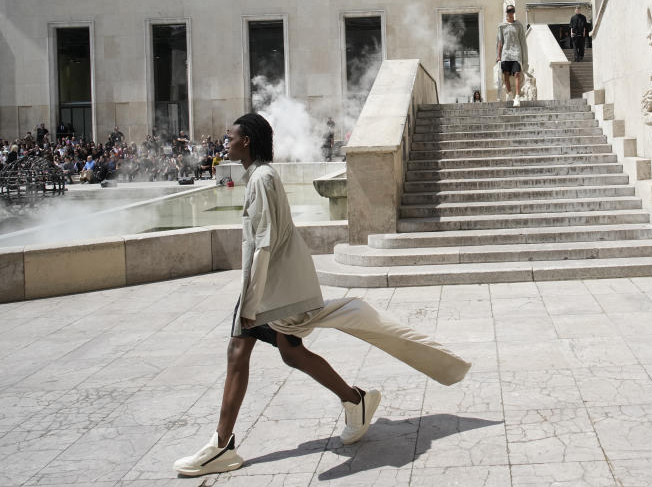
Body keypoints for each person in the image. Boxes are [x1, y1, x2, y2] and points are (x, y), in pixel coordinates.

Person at [174, 113, 470, 477]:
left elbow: (264, 244)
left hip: (267, 292)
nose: (225, 142)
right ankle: (355, 401)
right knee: (290, 352)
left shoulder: (262, 179)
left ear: (246, 140)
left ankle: (221, 445)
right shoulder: (259, 178)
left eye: (230, 136)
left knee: (242, 352)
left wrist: (250, 303)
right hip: (270, 289)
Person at [496, 4, 528, 107]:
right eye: (509, 10)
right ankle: (509, 93)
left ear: (514, 12)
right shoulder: (501, 26)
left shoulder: (519, 25)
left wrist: (524, 57)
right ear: (506, 12)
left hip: (516, 53)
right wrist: (498, 55)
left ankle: (517, 97)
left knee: (517, 74)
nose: (511, 12)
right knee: (506, 74)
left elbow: (523, 41)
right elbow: (500, 42)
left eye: (512, 10)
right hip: (506, 53)